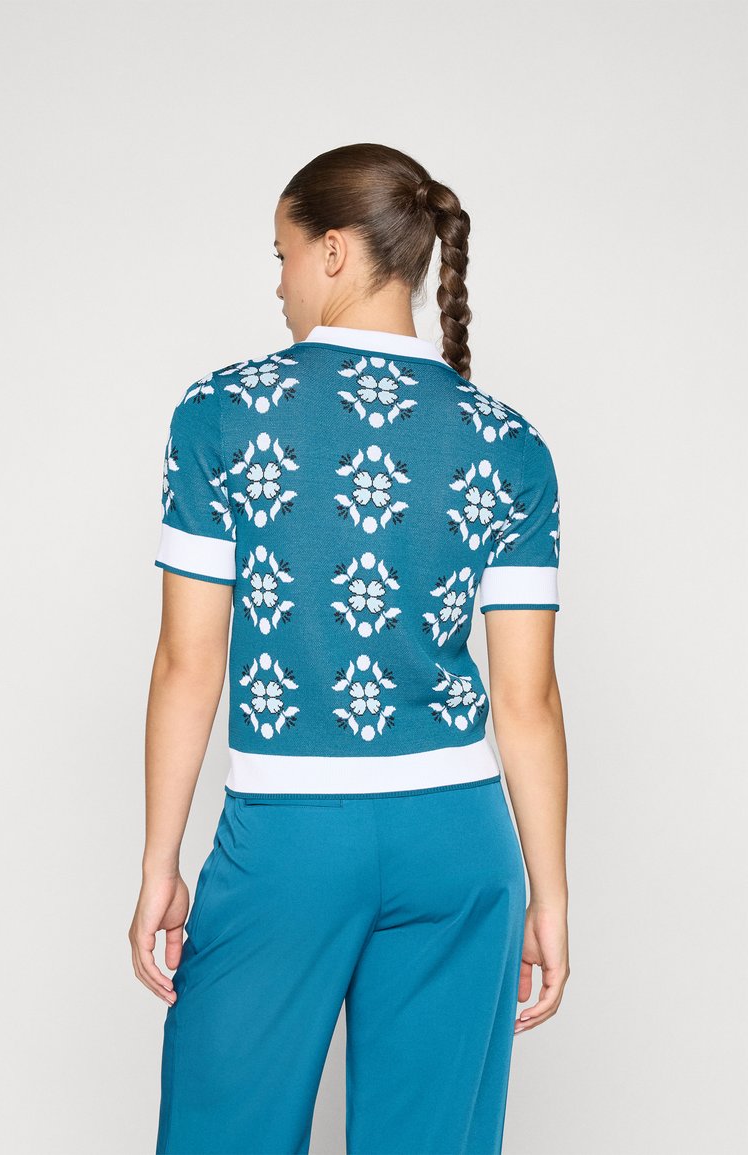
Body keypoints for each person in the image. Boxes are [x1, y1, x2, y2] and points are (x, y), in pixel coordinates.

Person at [129, 142, 570, 1155]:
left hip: (287, 836)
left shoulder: (220, 415)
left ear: (331, 251)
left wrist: (160, 862)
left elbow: (187, 665)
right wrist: (547, 893)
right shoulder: (509, 443)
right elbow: (528, 699)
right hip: (460, 844)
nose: (278, 283)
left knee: (220, 1136)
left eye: (281, 255)